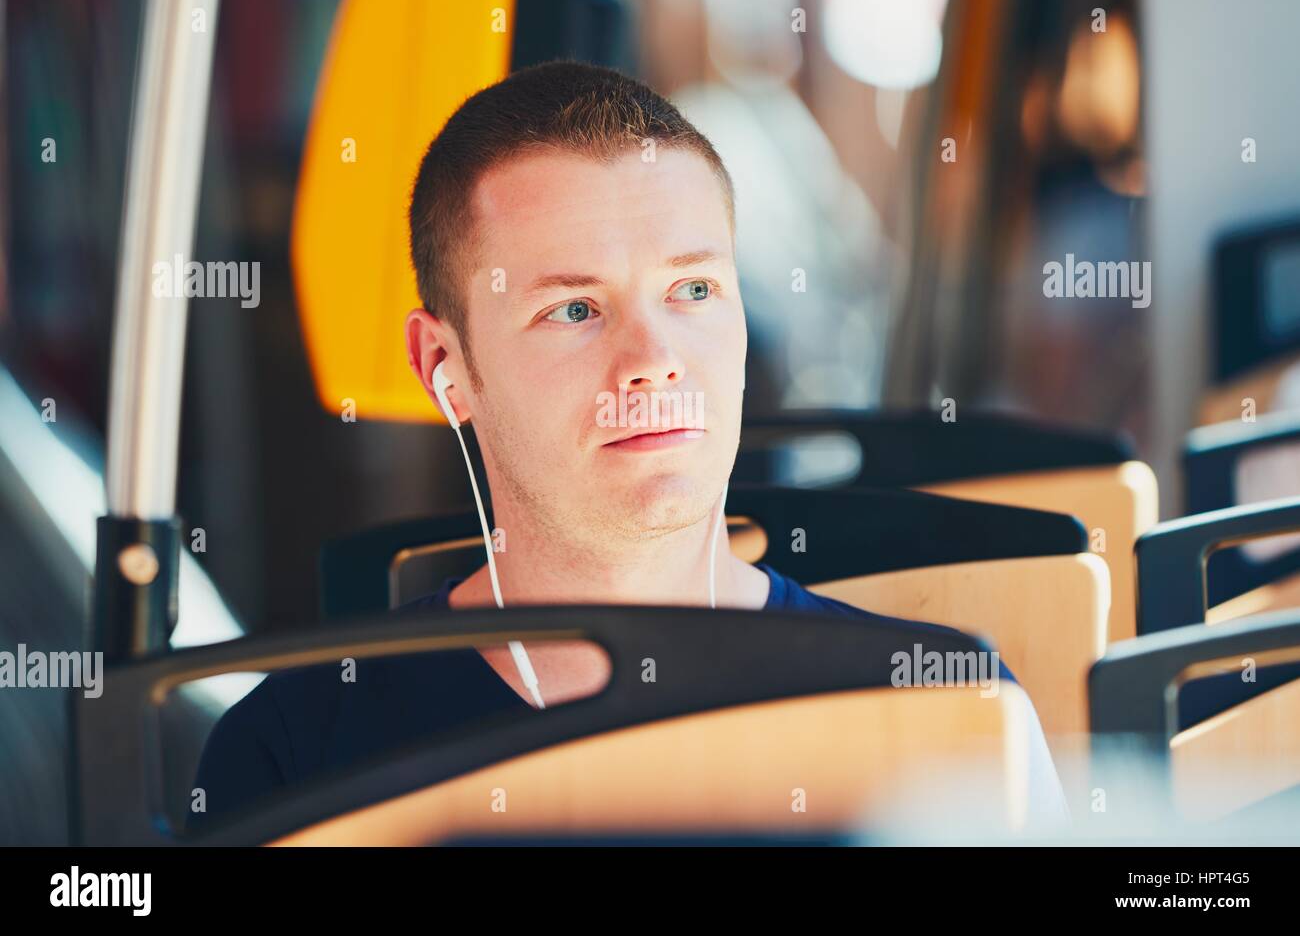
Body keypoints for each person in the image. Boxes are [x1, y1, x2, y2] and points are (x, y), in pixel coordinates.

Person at [190, 60, 1069, 833]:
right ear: (444, 367)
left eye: (692, 289)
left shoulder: (944, 711)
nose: (652, 362)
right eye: (573, 309)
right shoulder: (296, 756)